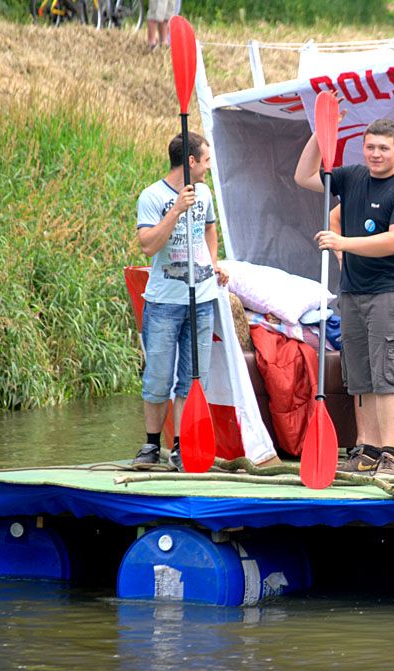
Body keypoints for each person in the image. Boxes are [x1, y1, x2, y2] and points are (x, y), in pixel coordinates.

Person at [132, 133, 278, 470]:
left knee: (193, 377)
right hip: (164, 302)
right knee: (157, 377)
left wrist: (212, 262)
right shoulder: (152, 196)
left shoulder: (205, 194)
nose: (209, 168)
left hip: (201, 301)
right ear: (191, 162)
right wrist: (176, 211)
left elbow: (209, 230)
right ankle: (152, 446)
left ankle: (184, 447)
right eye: (206, 161)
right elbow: (148, 245)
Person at [294, 119, 394, 477]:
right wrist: (321, 133)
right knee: (361, 378)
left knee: (389, 377)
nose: (376, 154)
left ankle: (388, 455)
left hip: (391, 292)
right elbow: (304, 176)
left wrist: (343, 244)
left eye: (383, 148)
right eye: (370, 147)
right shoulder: (352, 177)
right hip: (353, 292)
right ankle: (365, 450)